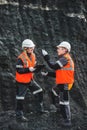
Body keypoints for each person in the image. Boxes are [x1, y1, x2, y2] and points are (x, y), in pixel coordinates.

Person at [41, 41, 74, 126]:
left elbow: (53, 66)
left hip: (65, 84)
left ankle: (67, 121)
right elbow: (58, 73)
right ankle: (60, 110)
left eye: (59, 48)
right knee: (54, 92)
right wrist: (47, 74)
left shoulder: (65, 58)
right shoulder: (63, 59)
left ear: (65, 50)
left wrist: (46, 57)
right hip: (62, 83)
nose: (57, 49)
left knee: (65, 102)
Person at [15, 39, 46, 121]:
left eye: (33, 48)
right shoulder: (20, 58)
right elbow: (19, 70)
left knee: (39, 91)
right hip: (21, 82)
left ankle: (39, 110)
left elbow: (33, 67)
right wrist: (29, 69)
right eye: (31, 48)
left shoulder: (33, 55)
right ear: (25, 48)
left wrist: (37, 69)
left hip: (30, 80)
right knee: (20, 99)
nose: (32, 49)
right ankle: (19, 116)